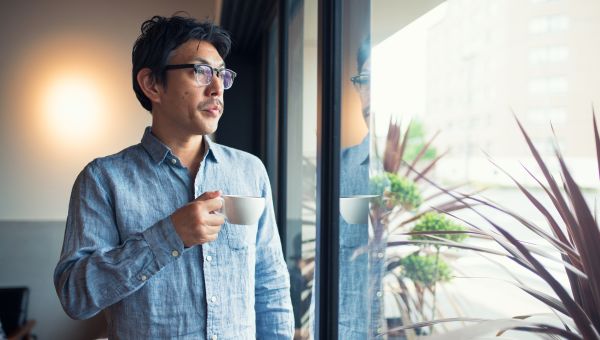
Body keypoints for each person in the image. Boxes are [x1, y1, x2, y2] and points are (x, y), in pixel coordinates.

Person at [54, 15, 294, 339]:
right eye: (201, 72)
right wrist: (169, 235)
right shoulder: (102, 181)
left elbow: (271, 288)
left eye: (222, 74)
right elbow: (75, 297)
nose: (217, 88)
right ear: (152, 84)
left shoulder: (250, 171)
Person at [339, 36, 386, 339]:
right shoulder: (341, 167)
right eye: (365, 80)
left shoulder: (430, 174)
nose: (371, 92)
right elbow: (335, 265)